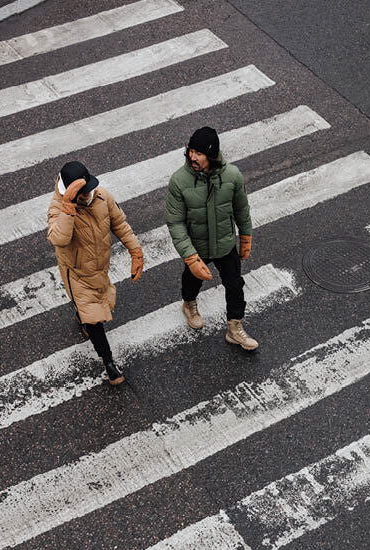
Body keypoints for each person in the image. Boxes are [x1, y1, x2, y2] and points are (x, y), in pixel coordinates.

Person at [47, 161, 144, 385]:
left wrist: (135, 250)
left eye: (90, 188)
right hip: (77, 274)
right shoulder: (57, 209)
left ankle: (81, 316)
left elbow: (120, 223)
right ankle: (108, 362)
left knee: (102, 305)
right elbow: (58, 238)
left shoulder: (102, 197)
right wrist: (68, 208)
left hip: (99, 269)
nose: (90, 193)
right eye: (84, 192)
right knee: (94, 319)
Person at [165, 126, 258, 350]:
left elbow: (241, 209)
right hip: (197, 247)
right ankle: (189, 304)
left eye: (199, 153)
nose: (192, 157)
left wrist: (245, 236)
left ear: (212, 155)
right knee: (192, 280)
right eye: (191, 151)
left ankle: (235, 327)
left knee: (235, 285)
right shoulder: (179, 181)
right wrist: (190, 257)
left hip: (226, 243)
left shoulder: (232, 176)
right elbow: (175, 223)